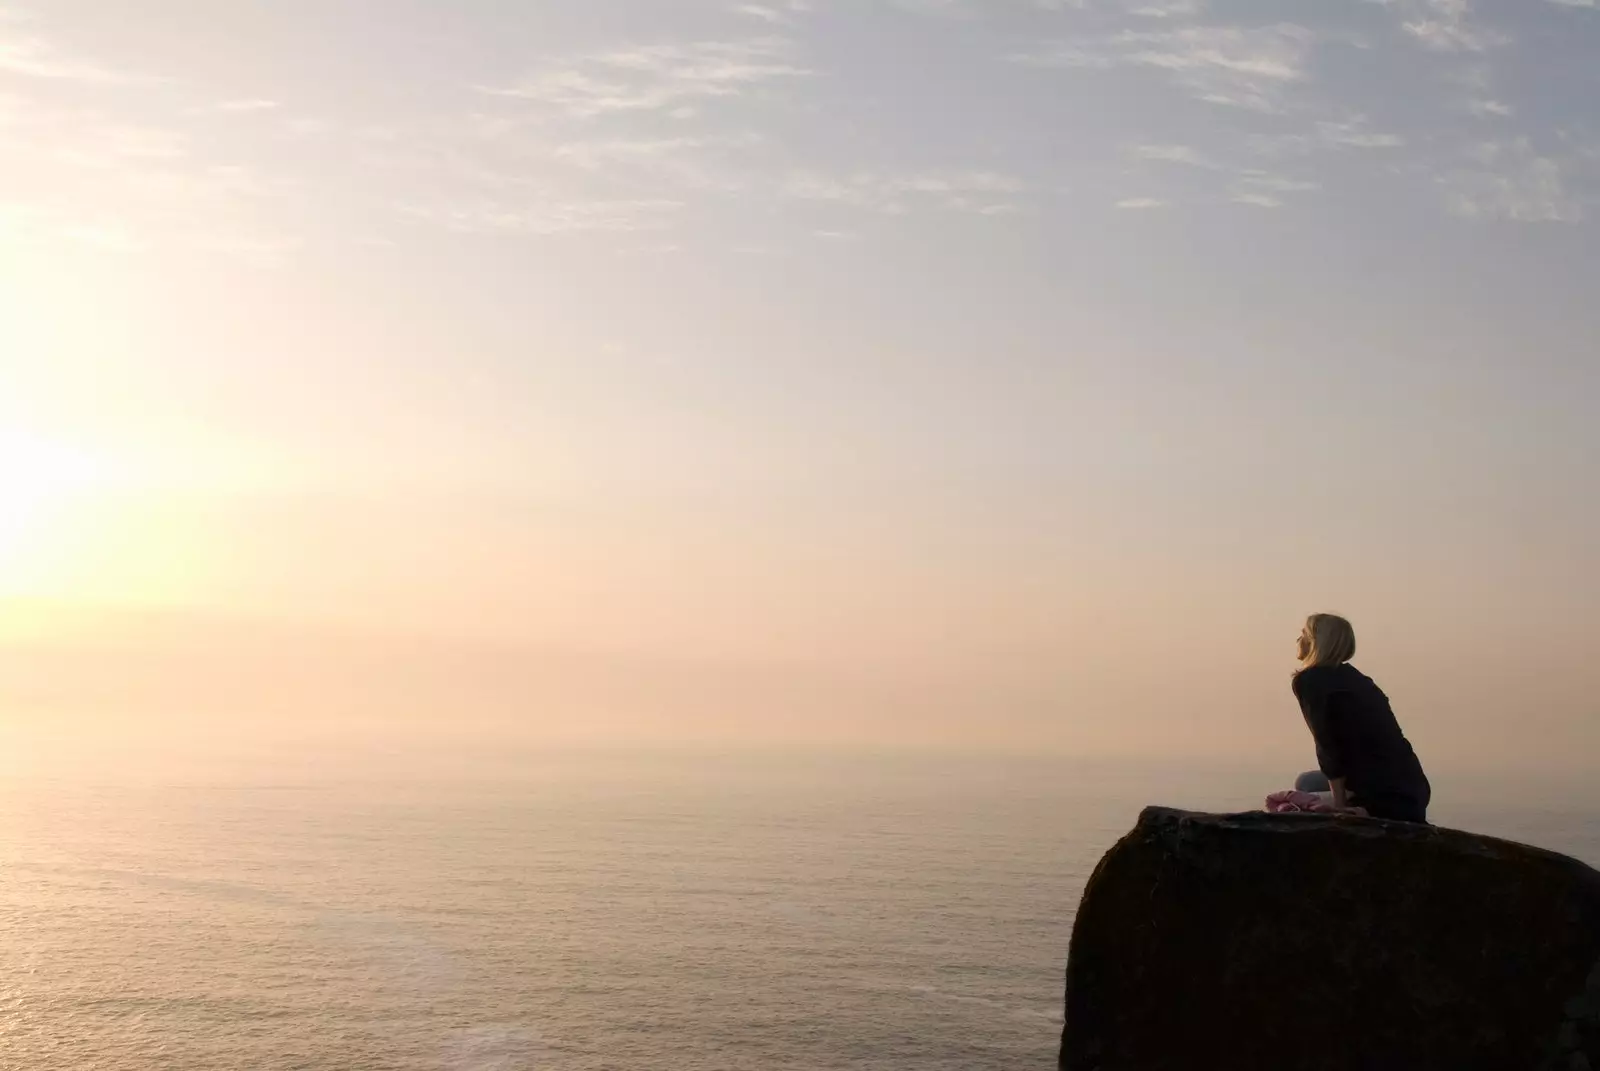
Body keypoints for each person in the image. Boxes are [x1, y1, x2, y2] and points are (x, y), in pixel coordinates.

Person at [1291, 613, 1431, 823]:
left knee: (1304, 784)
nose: (1298, 640)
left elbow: (1327, 747)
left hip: (1383, 797)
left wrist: (1340, 807)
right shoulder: (1360, 680)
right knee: (1309, 781)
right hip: (1412, 790)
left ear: (1316, 642)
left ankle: (1362, 807)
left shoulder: (1310, 681)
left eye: (1303, 634)